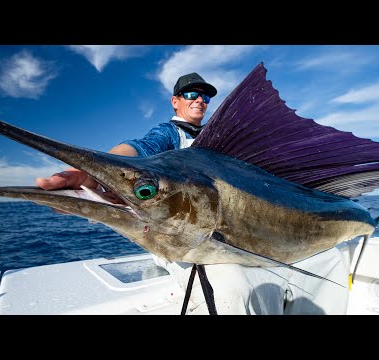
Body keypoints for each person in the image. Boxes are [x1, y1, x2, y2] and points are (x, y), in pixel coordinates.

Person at [36, 72, 350, 315]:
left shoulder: (222, 147)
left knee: (329, 259)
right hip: (189, 237)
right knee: (234, 289)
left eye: (204, 97)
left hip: (252, 233)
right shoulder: (168, 134)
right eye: (191, 94)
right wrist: (91, 174)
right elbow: (138, 149)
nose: (199, 100)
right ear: (175, 101)